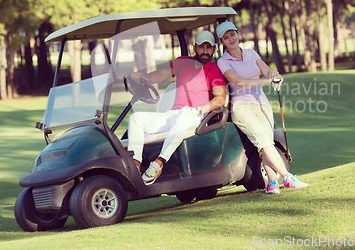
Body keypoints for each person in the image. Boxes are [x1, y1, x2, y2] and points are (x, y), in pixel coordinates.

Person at [216, 21, 307, 194]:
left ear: (237, 33)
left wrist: (273, 74)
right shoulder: (223, 61)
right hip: (241, 106)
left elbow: (266, 70)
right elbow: (237, 82)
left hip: (262, 104)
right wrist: (266, 81)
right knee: (264, 142)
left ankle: (272, 182)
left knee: (267, 143)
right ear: (223, 42)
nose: (230, 39)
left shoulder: (251, 53)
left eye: (232, 34)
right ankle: (287, 177)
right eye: (226, 38)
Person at [127, 30, 227, 185]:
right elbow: (160, 75)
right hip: (173, 114)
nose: (205, 51)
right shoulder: (181, 62)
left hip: (195, 114)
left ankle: (158, 163)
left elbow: (221, 99)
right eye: (202, 47)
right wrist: (144, 77)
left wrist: (199, 109)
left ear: (213, 49)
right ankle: (136, 164)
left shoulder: (213, 70)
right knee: (136, 118)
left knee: (184, 117)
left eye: (209, 47)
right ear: (195, 48)